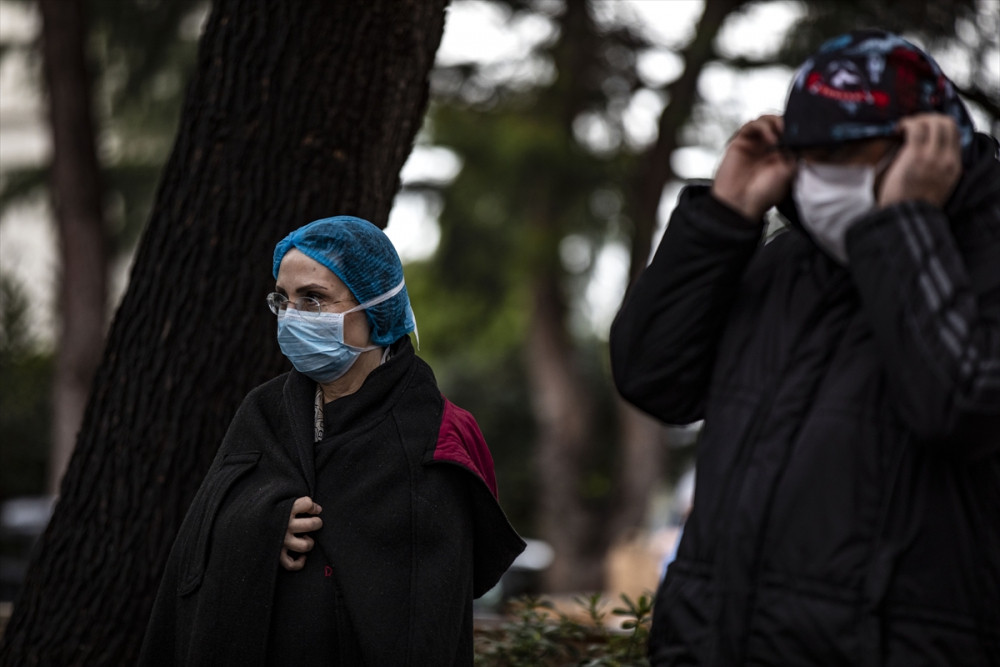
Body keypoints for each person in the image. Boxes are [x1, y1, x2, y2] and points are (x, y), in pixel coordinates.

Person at [610, 29, 1000, 666]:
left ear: (930, 146)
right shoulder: (786, 258)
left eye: (854, 153)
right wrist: (723, 217)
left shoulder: (983, 249)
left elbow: (963, 407)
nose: (829, 177)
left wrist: (902, 231)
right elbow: (653, 378)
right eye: (814, 154)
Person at [140, 215, 525, 666]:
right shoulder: (262, 412)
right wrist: (264, 528)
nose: (292, 316)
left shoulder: (438, 431)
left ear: (375, 307)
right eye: (282, 299)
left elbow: (440, 594)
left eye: (314, 299)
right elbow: (198, 542)